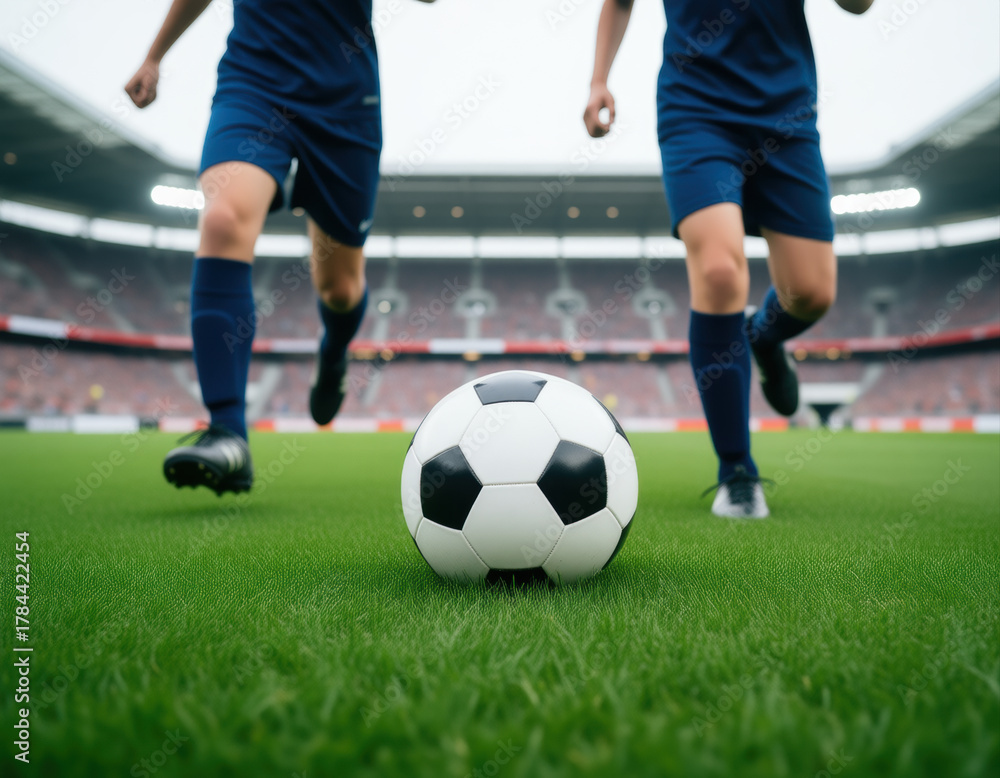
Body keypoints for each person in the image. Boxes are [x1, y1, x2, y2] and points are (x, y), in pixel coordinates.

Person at [125, 0, 436, 494]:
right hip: (254, 83)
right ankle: (228, 431)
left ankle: (334, 351)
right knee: (223, 220)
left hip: (344, 101)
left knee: (340, 288)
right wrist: (154, 55)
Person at [584, 0, 873, 518]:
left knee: (811, 293)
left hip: (787, 115)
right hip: (696, 110)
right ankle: (737, 470)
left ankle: (762, 336)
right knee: (718, 271)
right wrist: (598, 80)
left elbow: (860, 6)